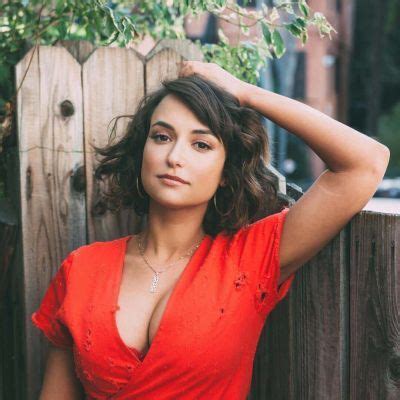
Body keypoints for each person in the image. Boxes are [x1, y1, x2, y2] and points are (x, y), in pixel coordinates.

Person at [31, 61, 390, 399]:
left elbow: (364, 163)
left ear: (225, 172)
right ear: (142, 150)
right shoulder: (81, 269)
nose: (175, 156)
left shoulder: (251, 258)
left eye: (201, 144)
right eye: (161, 137)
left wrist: (245, 92)